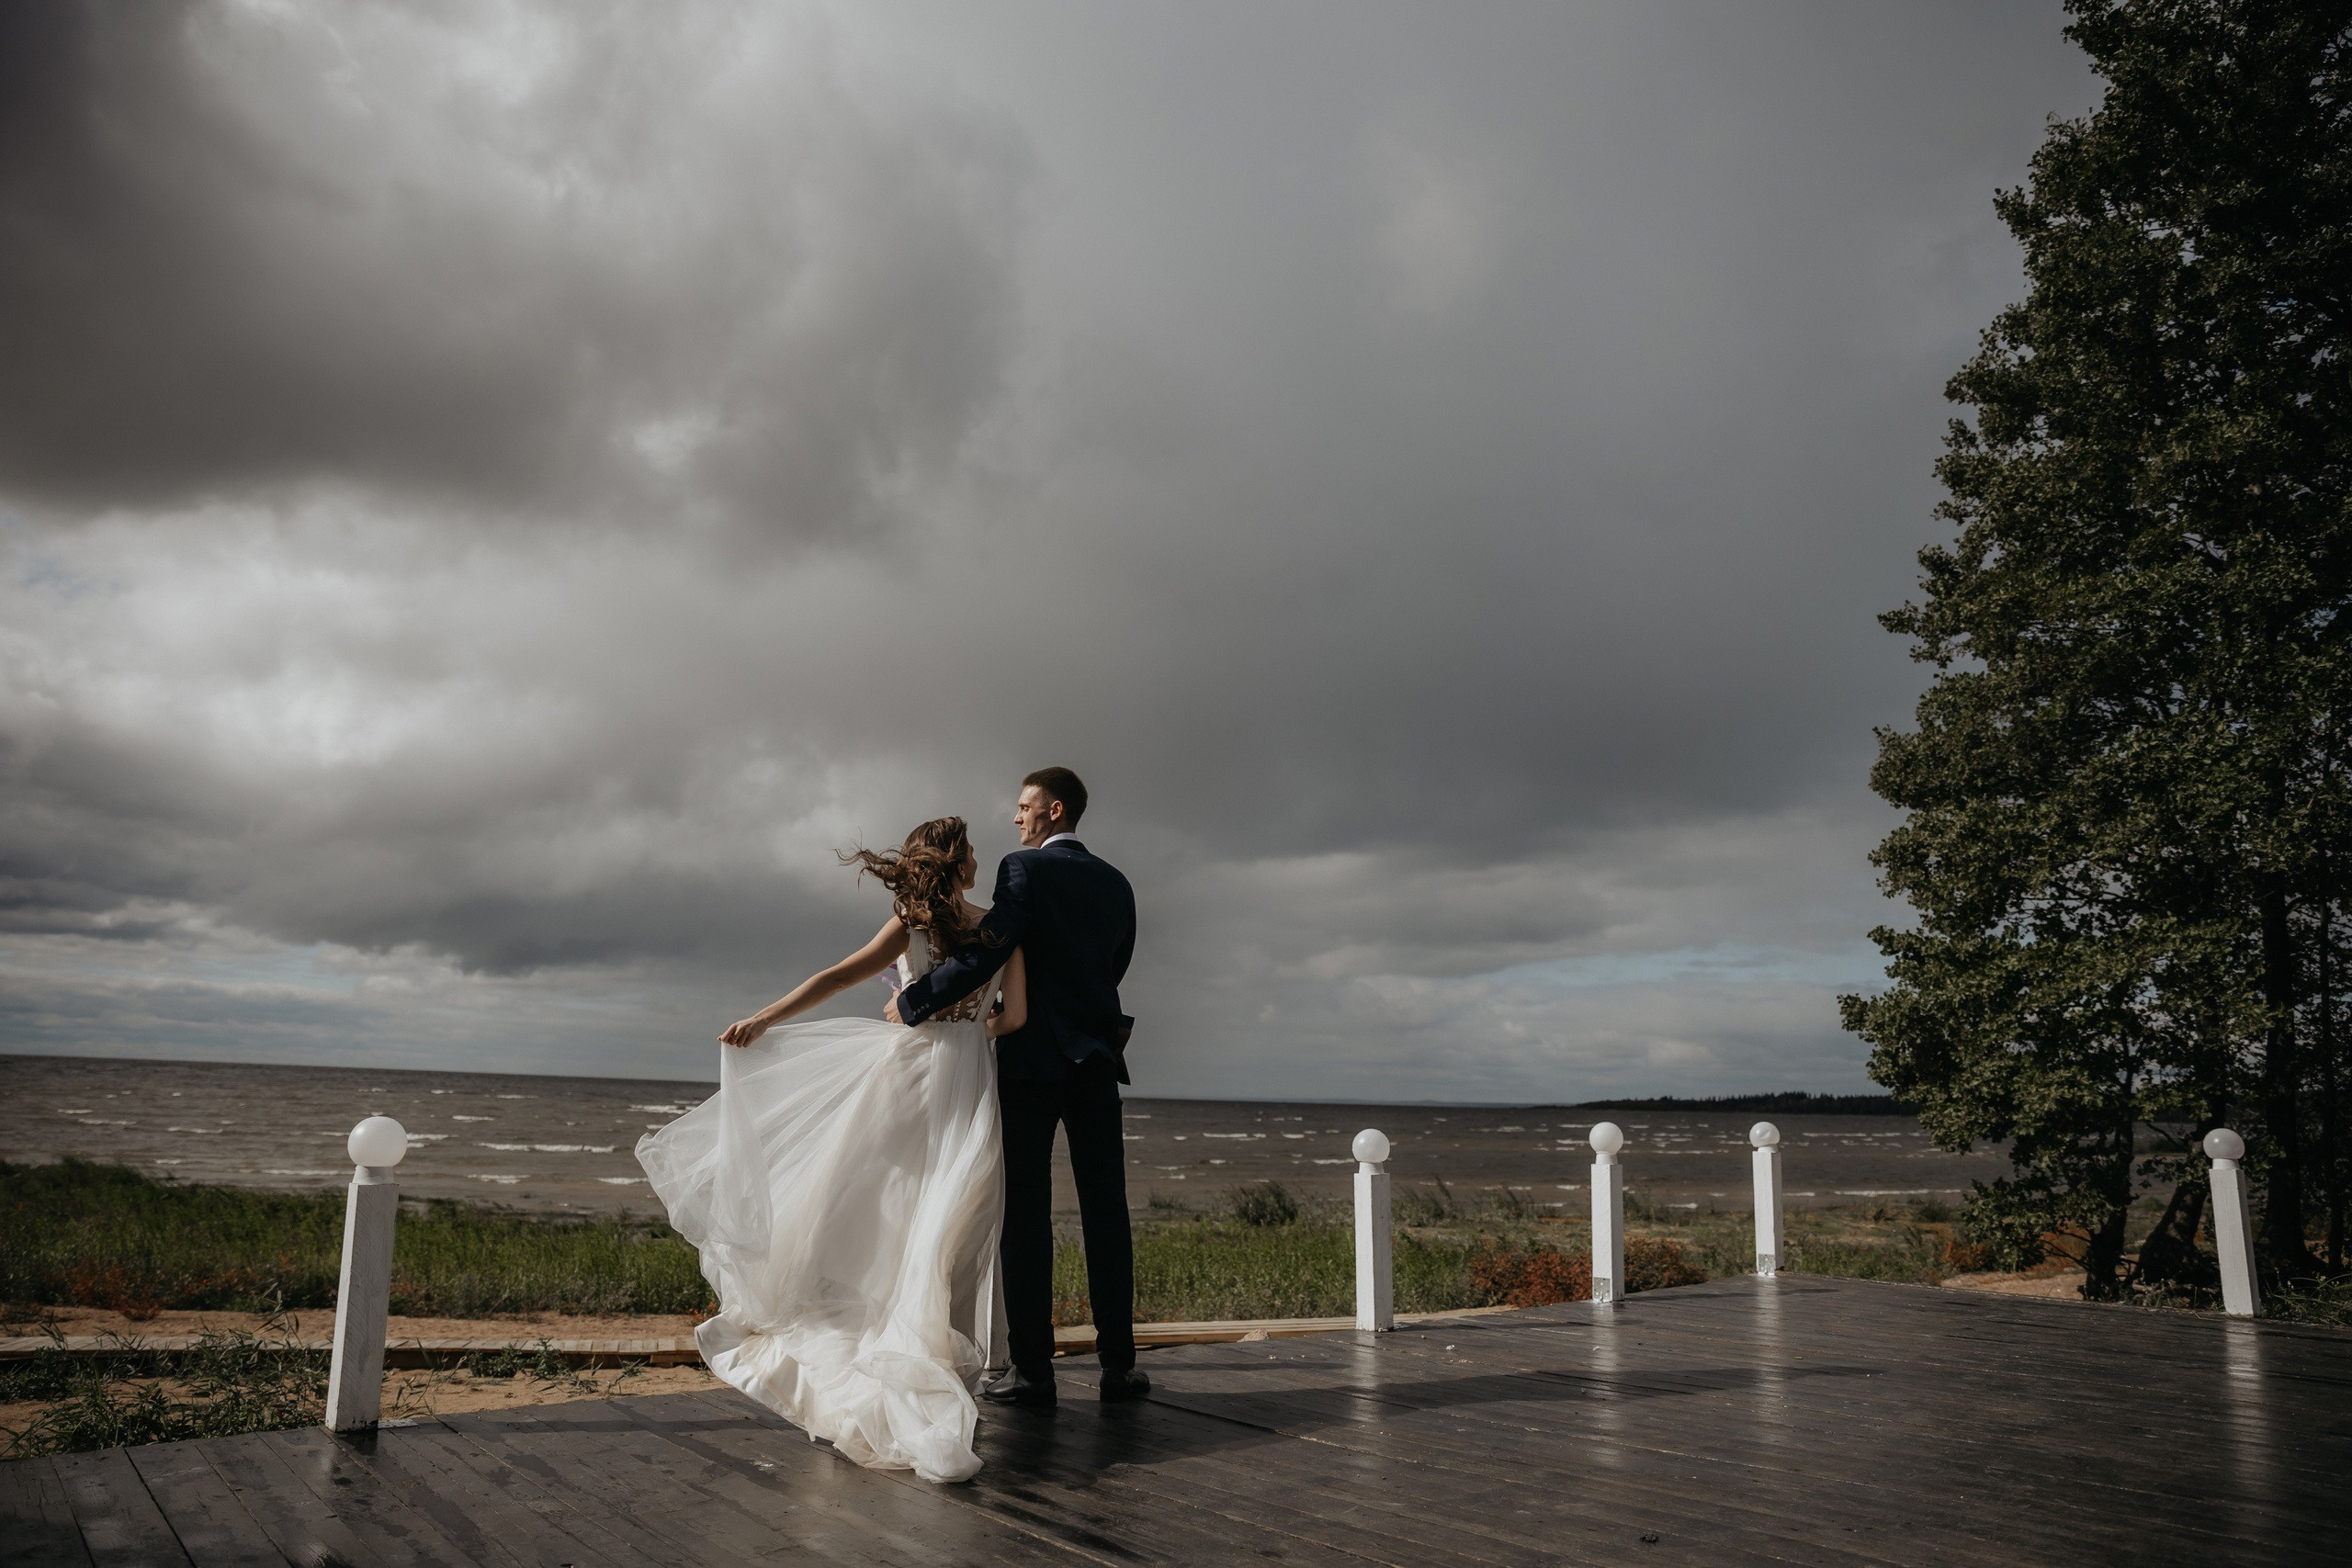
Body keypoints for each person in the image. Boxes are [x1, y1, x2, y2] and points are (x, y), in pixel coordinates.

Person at [636, 816, 1022, 1484]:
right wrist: (973, 1027)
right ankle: (936, 1367)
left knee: (882, 1223)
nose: (979, 859)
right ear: (958, 861)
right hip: (966, 1089)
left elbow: (839, 976)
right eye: (972, 851)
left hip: (905, 1080)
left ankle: (883, 1352)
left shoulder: (911, 923)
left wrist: (766, 1017)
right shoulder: (1003, 928)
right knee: (951, 1229)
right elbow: (1014, 1018)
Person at [887, 766, 1144, 1409]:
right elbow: (1115, 963)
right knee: (1106, 1215)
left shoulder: (1023, 870)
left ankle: (1035, 1371)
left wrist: (915, 1001)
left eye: (1025, 806)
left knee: (1026, 1219)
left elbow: (990, 950)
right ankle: (1120, 1368)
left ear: (1054, 810)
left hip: (1031, 1064)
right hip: (1096, 1064)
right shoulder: (1118, 884)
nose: (1016, 817)